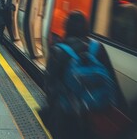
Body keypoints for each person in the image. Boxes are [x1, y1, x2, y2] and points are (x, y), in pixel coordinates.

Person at [44, 11, 126, 139]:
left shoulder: (57, 50)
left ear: (66, 27)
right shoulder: (98, 47)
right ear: (86, 27)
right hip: (96, 115)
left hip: (67, 117)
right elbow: (112, 81)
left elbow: (50, 88)